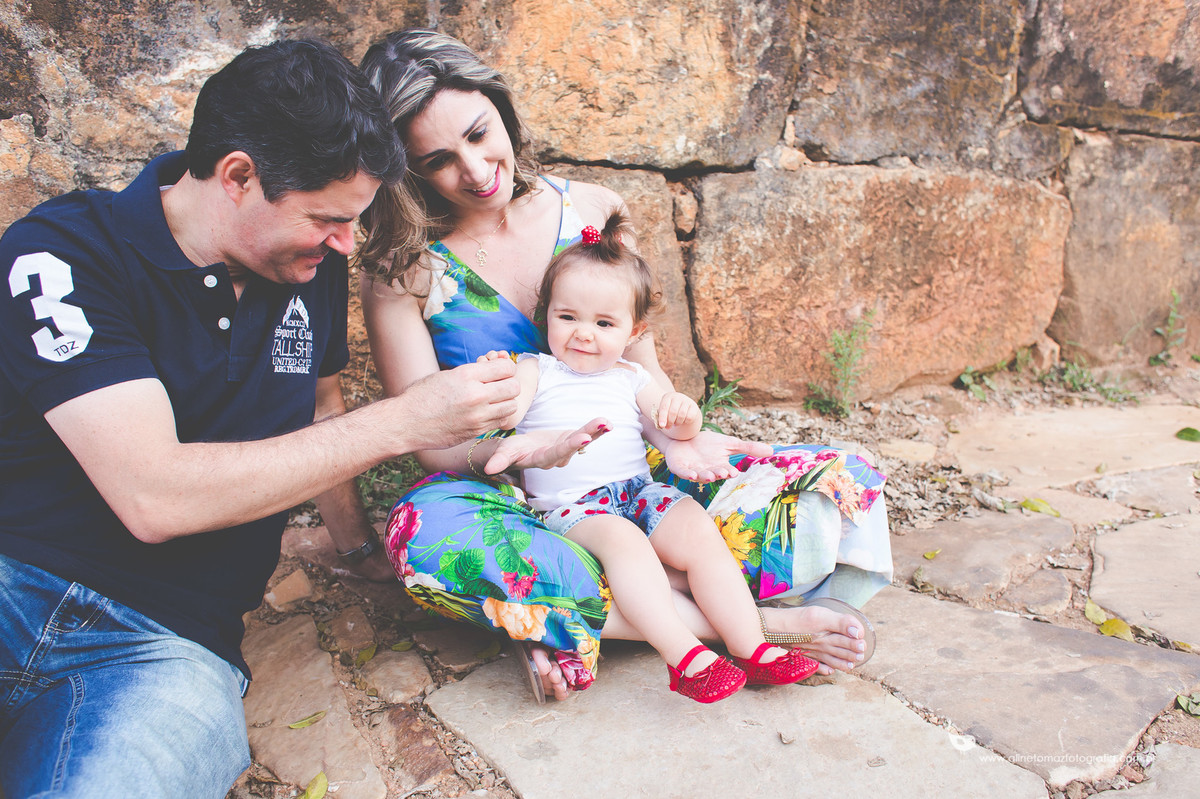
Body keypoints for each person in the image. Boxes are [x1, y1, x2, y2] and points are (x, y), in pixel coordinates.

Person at [0, 39, 550, 799]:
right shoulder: (62, 253)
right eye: (328, 218)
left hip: (166, 646)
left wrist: (357, 547)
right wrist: (404, 420)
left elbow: (324, 408)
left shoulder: (309, 271)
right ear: (237, 177)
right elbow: (153, 495)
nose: (347, 243)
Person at [358, 29, 890, 703]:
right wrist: (521, 449)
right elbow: (429, 440)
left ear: (500, 107)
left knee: (832, 485)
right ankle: (756, 626)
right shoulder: (403, 273)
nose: (473, 168)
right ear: (407, 171)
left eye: (478, 132)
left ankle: (555, 619)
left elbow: (642, 364)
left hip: (626, 468)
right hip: (510, 495)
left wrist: (681, 433)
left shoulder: (592, 210)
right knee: (421, 539)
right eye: (437, 159)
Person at [482, 213, 822, 703]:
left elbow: (672, 427)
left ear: (632, 330)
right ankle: (685, 657)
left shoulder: (629, 378)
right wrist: (500, 379)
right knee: (627, 545)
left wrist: (684, 415)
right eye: (567, 317)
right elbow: (512, 406)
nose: (584, 334)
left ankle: (751, 646)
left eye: (604, 323)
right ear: (547, 314)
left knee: (698, 532)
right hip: (575, 505)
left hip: (636, 491)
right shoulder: (539, 369)